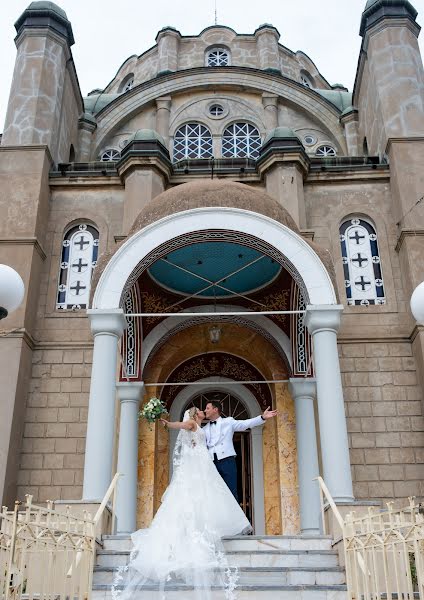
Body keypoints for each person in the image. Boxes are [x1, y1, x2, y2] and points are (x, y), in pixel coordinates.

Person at [112, 407, 250, 600]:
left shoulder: (203, 427)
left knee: (207, 497)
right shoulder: (192, 424)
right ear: (194, 415)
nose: (203, 411)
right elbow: (182, 425)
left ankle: (205, 528)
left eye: (205, 409)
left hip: (203, 465)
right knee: (195, 498)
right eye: (200, 410)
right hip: (197, 467)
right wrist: (168, 424)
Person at [204, 401, 278, 501]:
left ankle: (234, 515)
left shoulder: (228, 422)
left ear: (215, 409)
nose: (205, 410)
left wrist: (262, 417)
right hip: (212, 462)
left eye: (207, 408)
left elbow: (244, 424)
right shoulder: (204, 428)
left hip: (227, 460)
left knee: (231, 490)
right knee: (214, 491)